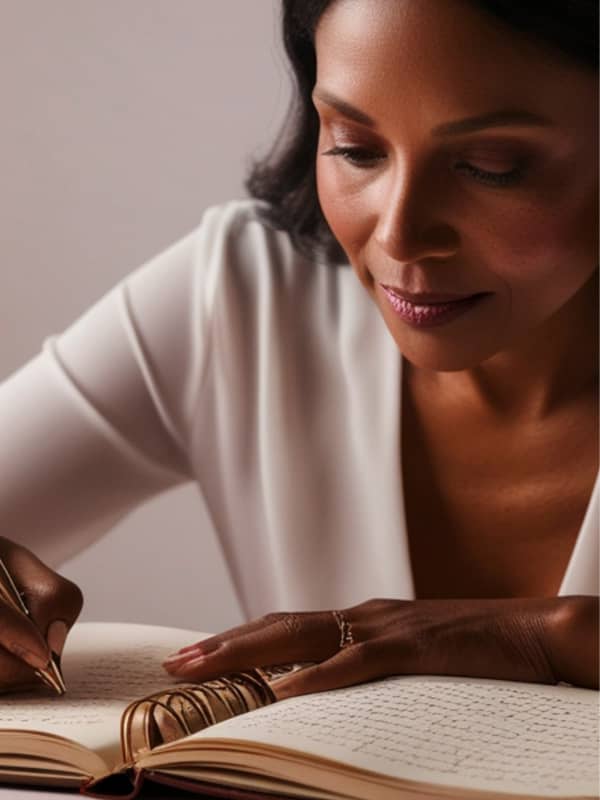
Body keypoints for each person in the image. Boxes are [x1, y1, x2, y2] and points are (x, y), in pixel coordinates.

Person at [0, 0, 597, 699]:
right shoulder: (246, 295)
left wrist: (545, 638)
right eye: (354, 146)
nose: (398, 237)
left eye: (490, 166)